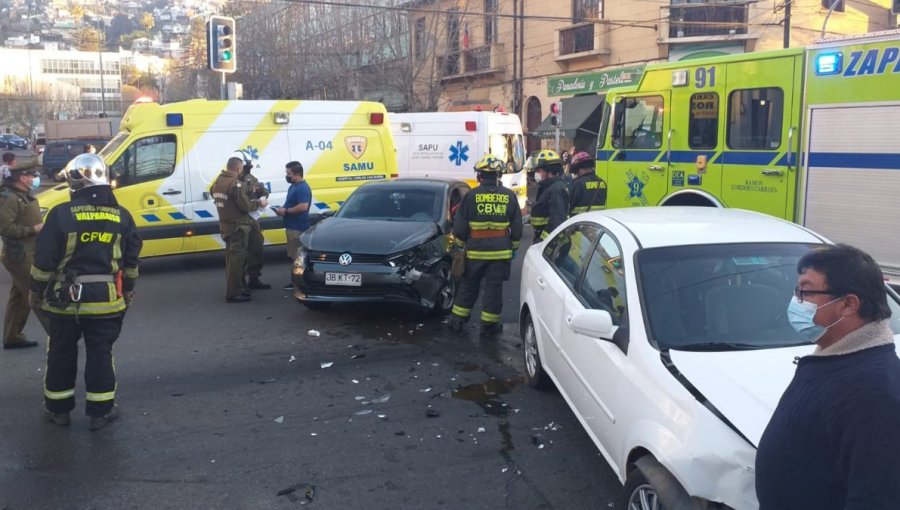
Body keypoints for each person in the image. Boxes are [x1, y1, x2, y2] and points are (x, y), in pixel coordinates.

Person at [756, 244, 900, 509]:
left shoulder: (875, 391)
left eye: (806, 291)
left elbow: (876, 498)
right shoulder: (835, 356)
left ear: (848, 304)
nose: (796, 301)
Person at [31, 153, 141, 430]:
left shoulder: (61, 215)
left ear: (74, 183)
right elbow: (131, 261)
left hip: (63, 302)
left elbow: (43, 261)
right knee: (101, 353)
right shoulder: (122, 216)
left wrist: (37, 291)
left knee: (61, 352)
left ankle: (58, 410)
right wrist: (127, 290)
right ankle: (100, 412)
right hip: (105, 301)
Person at [447, 154, 522, 336]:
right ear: (499, 175)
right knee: (493, 289)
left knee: (468, 285)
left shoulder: (471, 196)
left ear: (480, 176)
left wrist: (460, 244)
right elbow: (517, 226)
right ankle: (489, 325)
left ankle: (458, 320)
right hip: (500, 253)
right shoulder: (509, 195)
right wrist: (513, 246)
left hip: (475, 252)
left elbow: (460, 225)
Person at [0, 166, 50, 349]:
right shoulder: (9, 197)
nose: (35, 179)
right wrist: (32, 230)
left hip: (26, 252)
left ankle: (12, 336)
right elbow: (4, 228)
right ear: (22, 178)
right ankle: (60, 337)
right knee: (36, 294)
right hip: (19, 254)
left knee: (19, 297)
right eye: (32, 176)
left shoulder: (21, 194)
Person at [211, 156, 262, 303]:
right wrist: (259, 203)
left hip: (226, 225)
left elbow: (217, 196)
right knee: (237, 261)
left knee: (232, 259)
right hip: (238, 227)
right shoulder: (235, 183)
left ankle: (240, 287)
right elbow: (245, 206)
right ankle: (233, 293)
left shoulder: (219, 181)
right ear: (239, 169)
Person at [235, 151, 271, 290]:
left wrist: (261, 192)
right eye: (245, 167)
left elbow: (262, 190)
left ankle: (254, 278)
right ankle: (240, 282)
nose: (247, 170)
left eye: (248, 167)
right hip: (239, 218)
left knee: (257, 246)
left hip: (252, 217)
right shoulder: (232, 180)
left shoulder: (250, 177)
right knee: (240, 252)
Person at [276, 161, 311, 291]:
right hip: (291, 226)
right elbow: (291, 203)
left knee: (298, 257)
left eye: (289, 173)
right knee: (292, 256)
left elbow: (303, 206)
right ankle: (295, 281)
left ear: (297, 174)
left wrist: (286, 211)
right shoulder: (294, 186)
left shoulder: (302, 188)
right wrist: (282, 209)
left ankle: (299, 283)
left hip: (298, 228)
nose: (287, 176)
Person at [528, 150, 568, 242]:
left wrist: (544, 241)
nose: (536, 174)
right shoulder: (546, 187)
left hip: (548, 240)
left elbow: (557, 220)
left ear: (549, 172)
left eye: (539, 170)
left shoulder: (556, 189)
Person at [567, 151, 607, 217]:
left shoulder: (577, 184)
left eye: (576, 172)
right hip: (597, 223)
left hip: (580, 223)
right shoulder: (602, 182)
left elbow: (568, 206)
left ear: (580, 169)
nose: (576, 174)